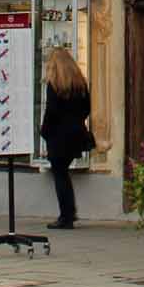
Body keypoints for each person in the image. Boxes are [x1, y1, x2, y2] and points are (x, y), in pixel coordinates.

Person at [39, 48, 94, 231]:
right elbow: (87, 108)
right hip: (76, 133)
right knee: (63, 173)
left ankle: (66, 216)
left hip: (58, 136)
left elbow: (51, 111)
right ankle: (69, 212)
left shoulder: (55, 84)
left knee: (60, 175)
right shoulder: (80, 84)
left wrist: (44, 132)